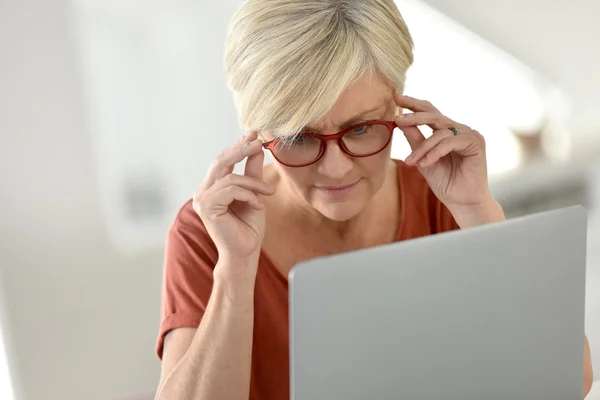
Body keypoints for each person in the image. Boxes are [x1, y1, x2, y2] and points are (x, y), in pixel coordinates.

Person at [154, 1, 594, 399]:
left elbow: (571, 380)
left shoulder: (441, 199)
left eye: (362, 129)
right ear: (256, 133)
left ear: (398, 110)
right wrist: (235, 268)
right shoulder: (211, 229)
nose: (336, 170)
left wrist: (478, 210)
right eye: (298, 138)